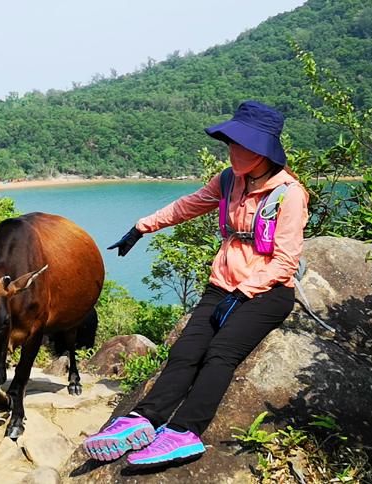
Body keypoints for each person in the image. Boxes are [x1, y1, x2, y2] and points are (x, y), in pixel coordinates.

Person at [84, 101, 309, 467]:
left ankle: (186, 431)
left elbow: (285, 262)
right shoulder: (227, 180)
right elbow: (188, 205)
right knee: (186, 352)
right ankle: (142, 420)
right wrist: (143, 226)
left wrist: (243, 292)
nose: (233, 152)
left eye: (243, 145)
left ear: (264, 150)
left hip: (266, 293)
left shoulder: (288, 194)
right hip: (221, 287)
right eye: (231, 144)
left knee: (220, 353)